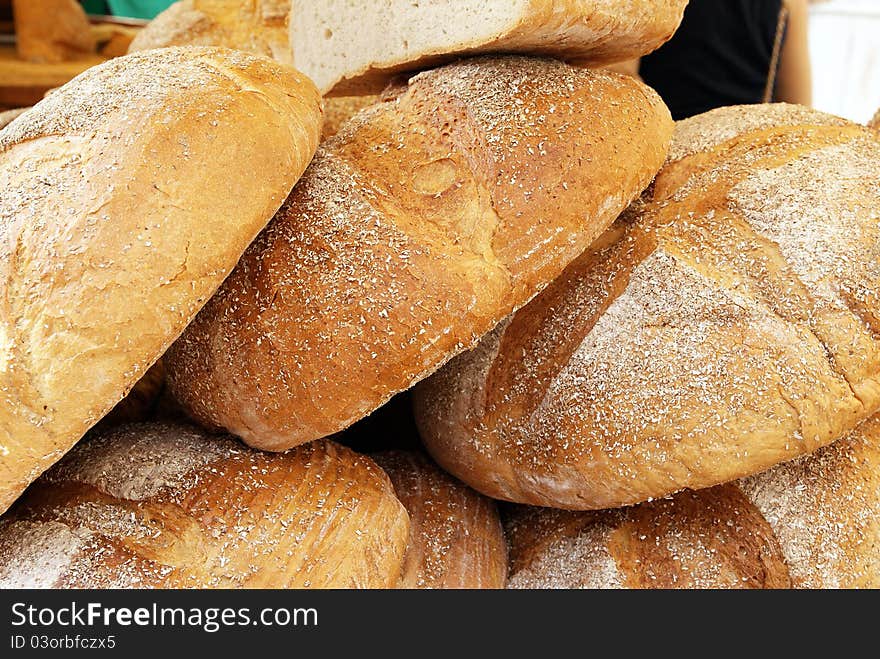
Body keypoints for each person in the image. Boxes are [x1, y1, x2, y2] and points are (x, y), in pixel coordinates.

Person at [612, 0, 812, 120]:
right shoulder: (790, 4)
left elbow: (620, 80)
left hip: (666, 153)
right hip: (743, 160)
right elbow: (799, 109)